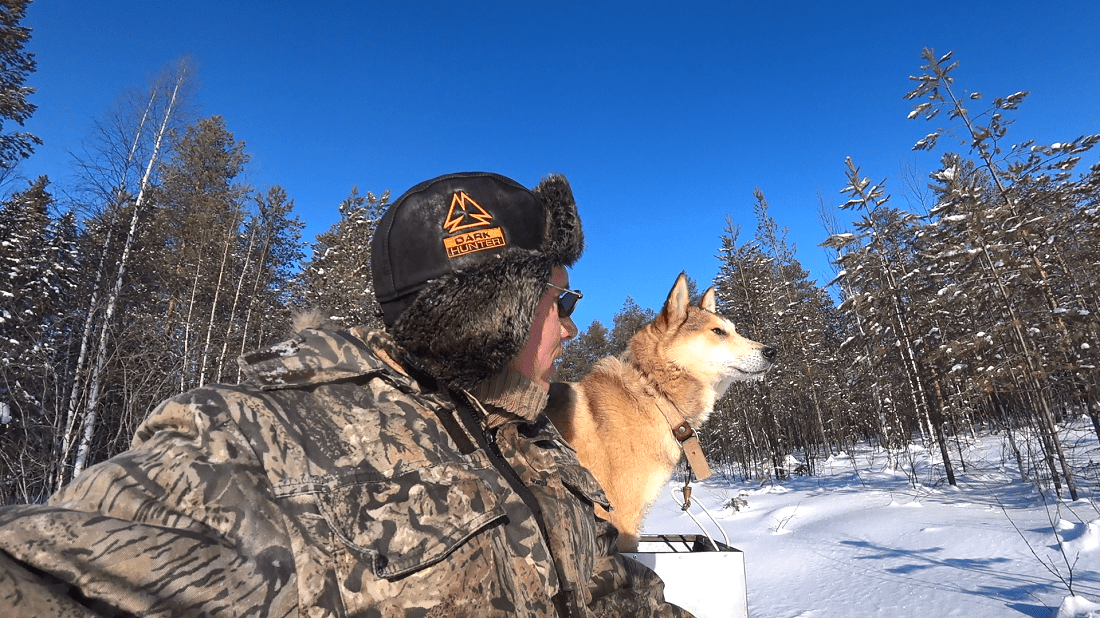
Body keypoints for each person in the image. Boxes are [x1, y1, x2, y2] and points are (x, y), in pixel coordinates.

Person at [0, 172, 693, 617]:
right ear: (496, 309)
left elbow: (602, 585)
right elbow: (53, 572)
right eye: (559, 298)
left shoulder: (532, 436)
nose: (572, 324)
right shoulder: (256, 432)